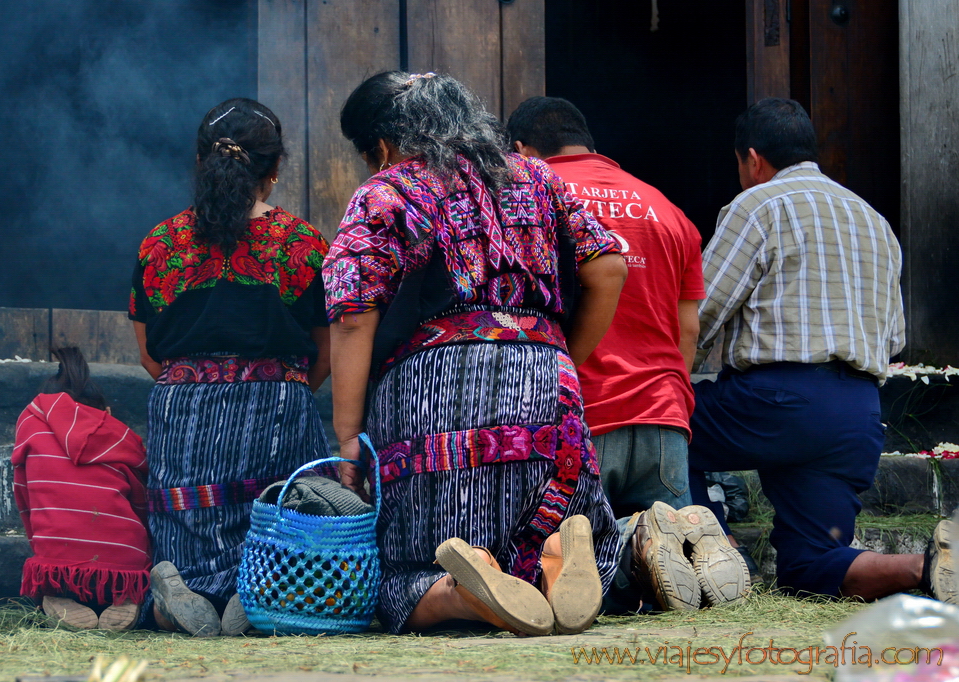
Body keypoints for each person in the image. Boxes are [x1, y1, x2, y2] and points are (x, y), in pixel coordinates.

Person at [324, 72, 748, 635]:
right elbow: (609, 266)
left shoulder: (390, 190)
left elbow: (353, 316)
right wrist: (561, 355)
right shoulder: (535, 176)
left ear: (380, 145)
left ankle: (457, 589)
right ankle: (560, 561)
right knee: (551, 509)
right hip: (543, 373)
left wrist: (348, 434)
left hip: (438, 386)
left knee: (404, 572)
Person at [689, 97, 955, 603]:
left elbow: (703, 308)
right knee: (810, 566)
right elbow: (894, 339)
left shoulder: (757, 204)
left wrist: (678, 375)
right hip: (855, 415)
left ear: (752, 158)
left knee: (664, 431)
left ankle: (718, 558)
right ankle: (927, 568)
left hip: (774, 402)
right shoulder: (875, 221)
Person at [129, 98, 331, 637]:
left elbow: (149, 351)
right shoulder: (304, 245)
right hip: (277, 408)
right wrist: (284, 386)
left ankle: (183, 590)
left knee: (187, 518)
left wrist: (194, 384)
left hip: (184, 412)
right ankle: (260, 590)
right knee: (280, 509)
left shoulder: (159, 244)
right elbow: (324, 350)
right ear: (275, 171)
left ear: (199, 162)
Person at [507, 97, 703, 522]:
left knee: (568, 570)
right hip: (664, 419)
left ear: (521, 150)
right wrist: (670, 404)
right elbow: (688, 330)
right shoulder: (668, 210)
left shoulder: (530, 200)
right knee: (668, 573)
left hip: (578, 419)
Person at [12, 347, 150, 631]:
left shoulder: (31, 430)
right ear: (107, 413)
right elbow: (142, 503)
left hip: (57, 560)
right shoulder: (121, 438)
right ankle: (125, 595)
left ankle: (57, 593)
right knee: (134, 543)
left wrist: (43, 552)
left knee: (52, 547)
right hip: (125, 561)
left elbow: (26, 501)